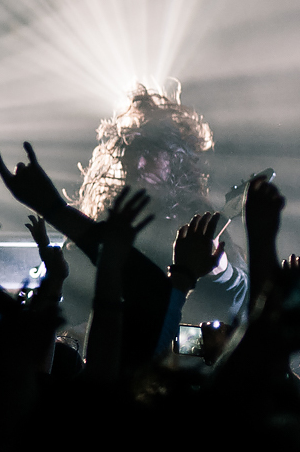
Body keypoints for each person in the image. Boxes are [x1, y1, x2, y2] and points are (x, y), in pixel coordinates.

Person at [74, 83, 249, 328]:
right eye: (131, 151)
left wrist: (223, 272)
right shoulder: (105, 220)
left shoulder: (199, 219)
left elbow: (244, 299)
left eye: (150, 152)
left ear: (175, 158)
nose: (138, 163)